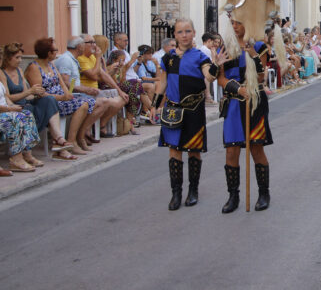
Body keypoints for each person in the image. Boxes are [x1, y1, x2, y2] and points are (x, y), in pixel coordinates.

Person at [150, 19, 226, 211]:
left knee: (194, 150)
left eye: (187, 31)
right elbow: (162, 83)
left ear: (193, 33)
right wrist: (154, 106)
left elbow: (208, 76)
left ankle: (193, 191)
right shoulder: (167, 59)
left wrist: (216, 65)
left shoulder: (201, 57)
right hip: (173, 110)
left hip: (194, 109)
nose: (184, 35)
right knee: (174, 150)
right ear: (175, 35)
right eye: (180, 32)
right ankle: (176, 193)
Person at [217, 19, 273, 213]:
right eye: (232, 23)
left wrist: (254, 56)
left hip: (254, 103)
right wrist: (237, 88)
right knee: (232, 150)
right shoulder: (225, 47)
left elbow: (260, 77)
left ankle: (264, 193)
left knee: (256, 148)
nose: (235, 27)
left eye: (239, 23)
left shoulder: (258, 45)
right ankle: (233, 196)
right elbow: (221, 78)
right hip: (233, 103)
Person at [0, 42, 74, 156]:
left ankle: (58, 139)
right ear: (8, 58)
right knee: (30, 110)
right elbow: (8, 97)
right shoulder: (2, 73)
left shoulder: (19, 70)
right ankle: (56, 143)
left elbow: (27, 95)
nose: (20, 60)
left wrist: (35, 93)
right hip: (14, 106)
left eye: (21, 57)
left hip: (26, 102)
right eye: (17, 57)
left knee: (49, 100)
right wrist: (30, 92)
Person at [25, 37, 95, 157]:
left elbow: (61, 81)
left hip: (61, 98)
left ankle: (74, 139)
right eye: (55, 50)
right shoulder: (34, 67)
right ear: (49, 53)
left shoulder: (51, 64)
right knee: (83, 104)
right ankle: (71, 141)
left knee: (88, 101)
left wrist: (67, 93)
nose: (57, 52)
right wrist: (61, 97)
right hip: (47, 100)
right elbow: (39, 92)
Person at [0, 45, 42, 172]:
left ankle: (27, 153)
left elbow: (4, 96)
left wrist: (12, 106)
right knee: (15, 118)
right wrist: (8, 109)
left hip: (3, 109)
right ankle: (16, 158)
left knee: (26, 114)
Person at [54, 37, 109, 150]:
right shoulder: (66, 60)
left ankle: (81, 134)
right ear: (79, 47)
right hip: (67, 96)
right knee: (95, 102)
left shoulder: (73, 59)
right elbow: (66, 83)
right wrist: (83, 89)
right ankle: (75, 138)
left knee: (103, 101)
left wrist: (84, 89)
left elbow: (73, 81)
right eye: (85, 44)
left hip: (76, 93)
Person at [77, 34, 128, 137]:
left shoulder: (92, 57)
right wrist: (99, 58)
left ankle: (100, 124)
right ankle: (87, 129)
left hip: (97, 90)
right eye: (91, 43)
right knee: (107, 101)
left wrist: (119, 90)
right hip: (87, 91)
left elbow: (105, 76)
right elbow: (95, 76)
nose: (94, 45)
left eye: (94, 42)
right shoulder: (81, 58)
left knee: (124, 97)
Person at [112, 32, 151, 125]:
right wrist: (133, 59)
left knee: (139, 86)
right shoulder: (115, 53)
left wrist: (138, 62)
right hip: (125, 82)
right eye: (125, 40)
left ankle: (148, 111)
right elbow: (122, 71)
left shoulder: (125, 52)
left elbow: (131, 70)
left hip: (133, 80)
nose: (127, 43)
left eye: (127, 40)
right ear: (117, 41)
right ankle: (151, 110)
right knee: (138, 86)